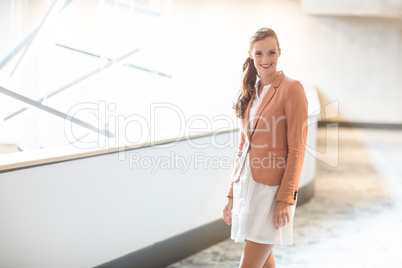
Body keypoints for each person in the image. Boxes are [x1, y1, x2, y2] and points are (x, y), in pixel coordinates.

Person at [222, 27, 308, 268]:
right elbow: (243, 147)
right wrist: (231, 193)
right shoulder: (251, 92)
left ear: (280, 53)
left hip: (270, 192)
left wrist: (286, 198)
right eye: (259, 53)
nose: (266, 59)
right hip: (247, 187)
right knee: (263, 259)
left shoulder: (292, 89)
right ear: (251, 54)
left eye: (271, 52)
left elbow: (297, 149)